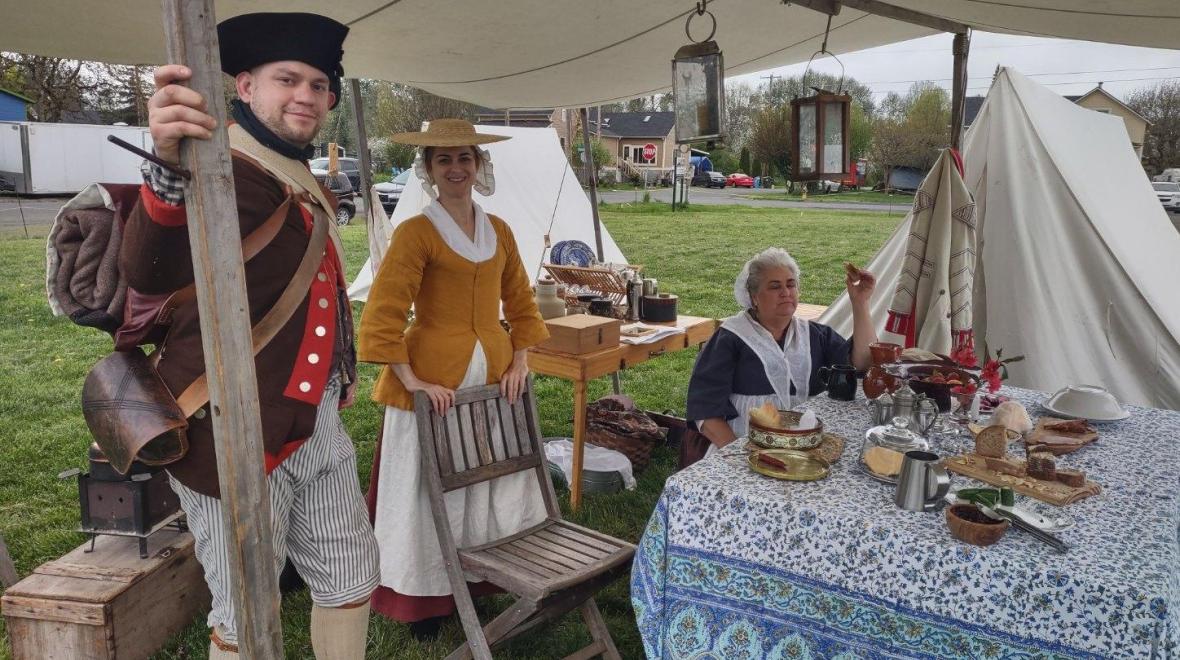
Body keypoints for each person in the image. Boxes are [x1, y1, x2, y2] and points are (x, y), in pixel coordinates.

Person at [120, 12, 379, 659]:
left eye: (319, 85)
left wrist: (339, 370)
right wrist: (166, 165)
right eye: (287, 79)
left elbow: (317, 284)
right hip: (228, 429)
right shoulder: (218, 165)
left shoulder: (295, 170)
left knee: (351, 582)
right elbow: (148, 267)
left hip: (313, 417)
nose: (306, 96)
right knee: (245, 613)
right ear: (244, 86)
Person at [357, 119, 550, 639]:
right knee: (428, 487)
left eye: (464, 157)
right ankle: (423, 596)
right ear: (429, 170)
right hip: (436, 377)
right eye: (444, 160)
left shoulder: (499, 230)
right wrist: (411, 380)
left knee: (486, 477)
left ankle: (481, 577)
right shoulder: (416, 232)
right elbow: (384, 311)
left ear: (478, 164)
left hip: (493, 379)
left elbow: (521, 301)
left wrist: (521, 361)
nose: (456, 168)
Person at [686, 247, 878, 451]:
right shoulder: (731, 338)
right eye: (774, 286)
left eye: (791, 284)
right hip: (743, 445)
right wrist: (740, 454)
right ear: (754, 297)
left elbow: (862, 363)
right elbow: (706, 411)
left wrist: (860, 302)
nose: (785, 292)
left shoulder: (814, 335)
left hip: (804, 448)